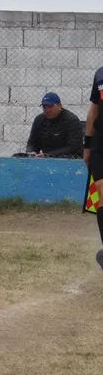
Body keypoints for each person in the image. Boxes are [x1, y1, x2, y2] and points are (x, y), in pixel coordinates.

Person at [19, 92, 82, 158]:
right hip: (46, 157)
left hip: (68, 158)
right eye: (44, 107)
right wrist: (31, 152)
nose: (47, 110)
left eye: (50, 107)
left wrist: (48, 155)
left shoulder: (71, 120)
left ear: (60, 106)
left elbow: (73, 147)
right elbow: (32, 142)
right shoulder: (39, 120)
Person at [83, 69, 103, 269]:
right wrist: (87, 144)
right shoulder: (100, 75)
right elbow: (94, 109)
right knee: (101, 192)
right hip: (100, 143)